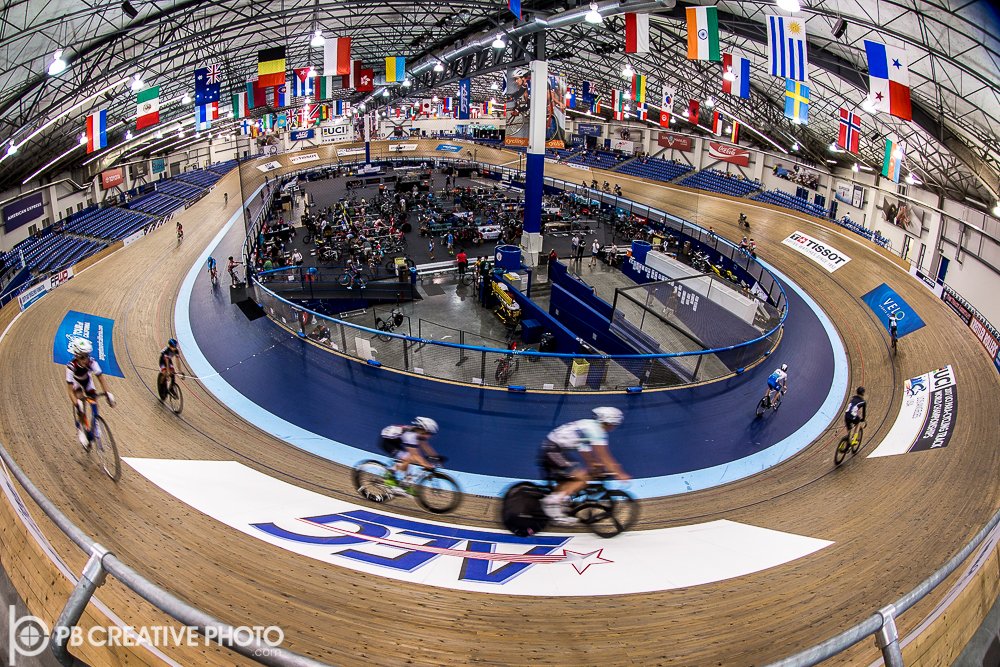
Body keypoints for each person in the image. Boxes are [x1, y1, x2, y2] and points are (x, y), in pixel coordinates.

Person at [538, 407, 630, 525]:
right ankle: (552, 504)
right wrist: (620, 473)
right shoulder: (596, 431)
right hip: (553, 450)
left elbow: (585, 451)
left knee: (574, 477)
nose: (613, 427)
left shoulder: (589, 426)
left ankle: (558, 503)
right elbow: (604, 457)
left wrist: (593, 464)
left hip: (553, 448)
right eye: (614, 424)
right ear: (608, 421)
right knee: (582, 479)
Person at [66, 338, 115, 448]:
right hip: (76, 383)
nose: (85, 360)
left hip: (87, 381)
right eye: (82, 357)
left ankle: (95, 421)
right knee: (80, 406)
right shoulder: (71, 367)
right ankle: (81, 429)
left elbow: (101, 378)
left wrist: (108, 393)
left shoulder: (92, 362)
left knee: (94, 398)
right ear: (76, 356)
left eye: (87, 356)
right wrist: (77, 403)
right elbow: (70, 391)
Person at [380, 417, 442, 493]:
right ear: (422, 429)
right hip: (387, 442)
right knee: (407, 458)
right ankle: (389, 476)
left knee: (408, 459)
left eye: (431, 434)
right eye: (428, 433)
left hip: (396, 441)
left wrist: (436, 457)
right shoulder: (410, 435)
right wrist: (426, 465)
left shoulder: (419, 433)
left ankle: (405, 485)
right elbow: (415, 455)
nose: (429, 436)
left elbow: (426, 446)